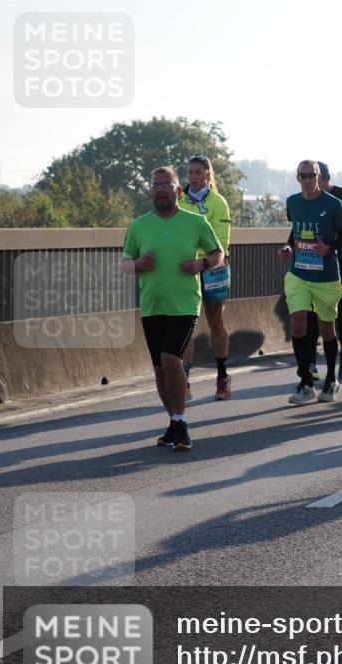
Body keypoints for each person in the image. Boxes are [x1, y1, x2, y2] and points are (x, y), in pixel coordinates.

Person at [122, 166, 222, 451]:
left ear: (178, 190)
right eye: (156, 186)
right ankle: (174, 422)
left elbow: (217, 253)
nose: (161, 190)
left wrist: (201, 264)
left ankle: (180, 421)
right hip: (152, 305)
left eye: (166, 185)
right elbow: (125, 264)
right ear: (150, 191)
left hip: (185, 303)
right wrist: (139, 265)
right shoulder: (138, 226)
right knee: (158, 369)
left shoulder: (196, 222)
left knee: (170, 361)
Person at [278, 159, 342, 405]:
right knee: (298, 326)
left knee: (326, 329)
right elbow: (295, 229)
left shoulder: (333, 204)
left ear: (319, 177)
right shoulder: (293, 202)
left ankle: (331, 379)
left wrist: (329, 247)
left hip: (326, 276)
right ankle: (306, 382)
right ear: (298, 178)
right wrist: (289, 246)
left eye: (312, 176)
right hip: (298, 273)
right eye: (303, 176)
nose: (308, 181)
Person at [178, 155, 233, 401]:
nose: (193, 176)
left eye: (198, 172)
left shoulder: (218, 202)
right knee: (185, 324)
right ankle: (184, 381)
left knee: (214, 321)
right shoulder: (179, 198)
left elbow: (221, 242)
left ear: (208, 174)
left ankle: (222, 375)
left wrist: (205, 261)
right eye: (190, 172)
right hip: (185, 266)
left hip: (213, 266)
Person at [314, 162, 342, 381]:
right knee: (313, 311)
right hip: (314, 260)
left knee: (340, 307)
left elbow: (340, 227)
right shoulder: (308, 198)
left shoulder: (339, 195)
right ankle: (312, 360)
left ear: (325, 178)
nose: (313, 183)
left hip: (339, 258)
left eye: (317, 178)